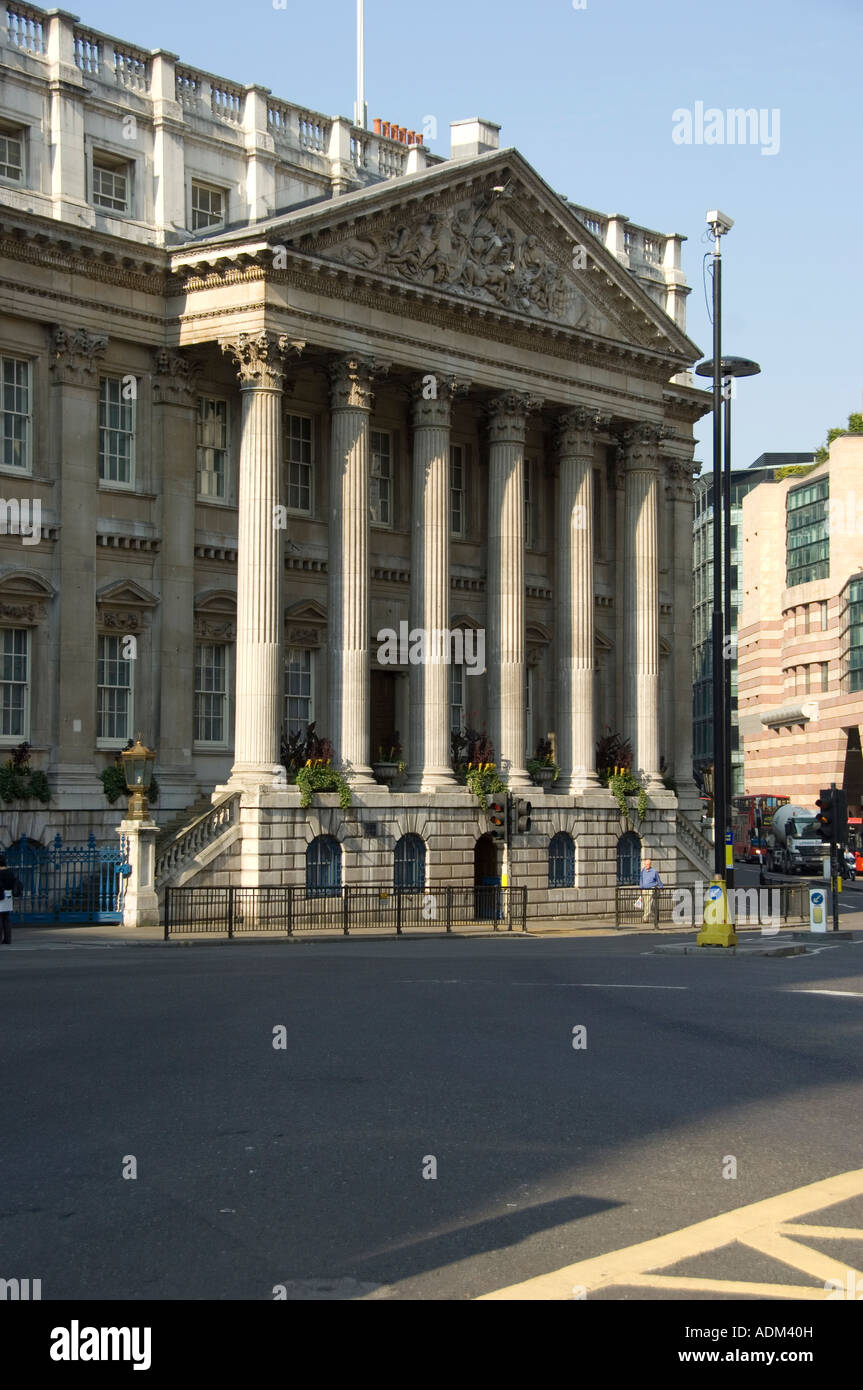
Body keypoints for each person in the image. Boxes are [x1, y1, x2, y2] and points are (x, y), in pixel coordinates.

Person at [0, 852, 22, 944]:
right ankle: (8, 939)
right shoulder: (10, 873)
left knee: (0, 918)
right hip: (8, 896)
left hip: (0, 895)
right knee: (6, 918)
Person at [639, 857, 663, 923]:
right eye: (645, 864)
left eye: (647, 864)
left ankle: (645, 918)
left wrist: (661, 887)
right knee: (646, 904)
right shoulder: (643, 871)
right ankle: (654, 916)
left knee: (649, 903)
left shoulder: (654, 871)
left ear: (650, 864)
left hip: (651, 889)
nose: (646, 866)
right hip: (644, 889)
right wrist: (641, 888)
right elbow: (641, 880)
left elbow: (658, 880)